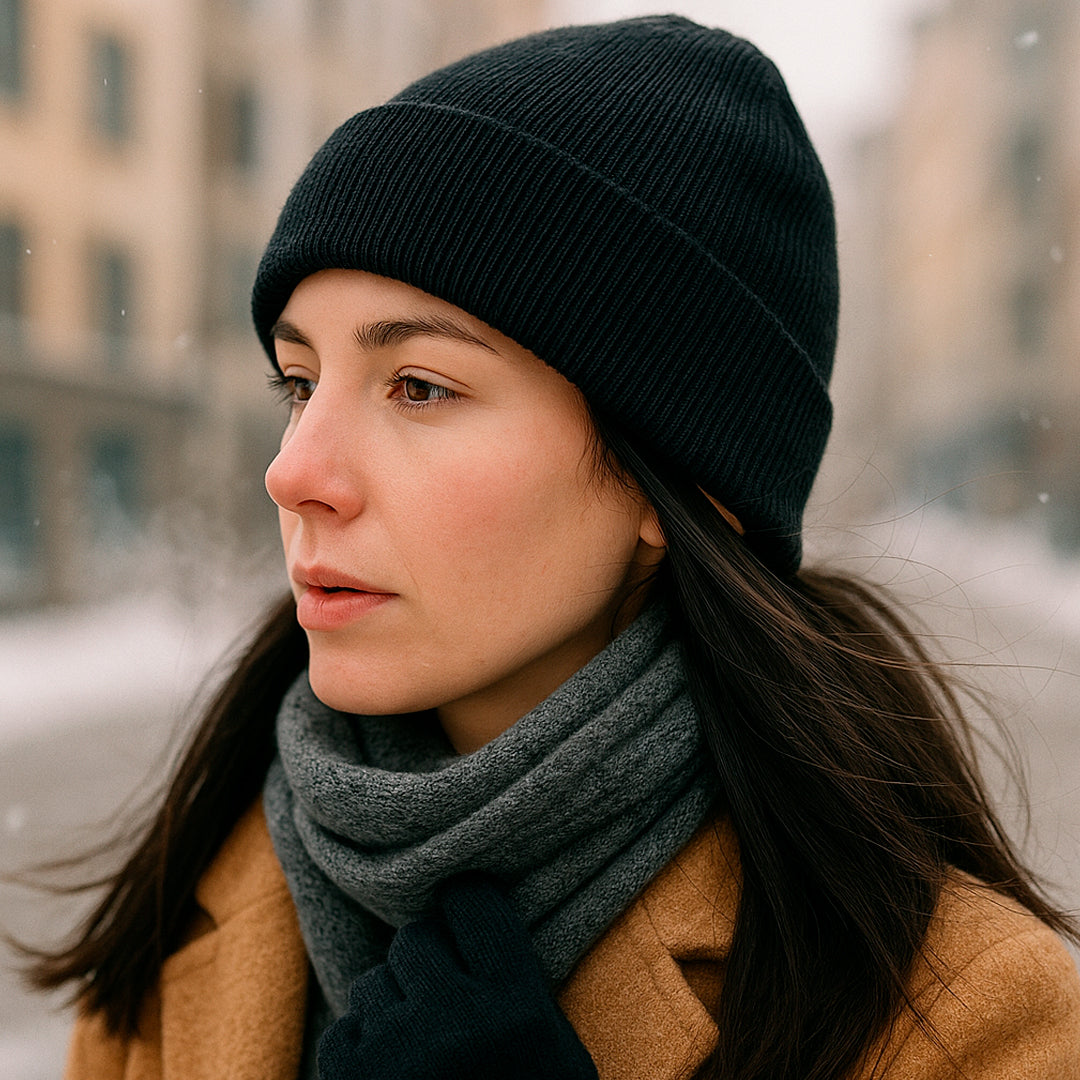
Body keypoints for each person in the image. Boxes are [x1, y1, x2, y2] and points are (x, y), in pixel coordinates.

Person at [31, 15, 1080, 1080]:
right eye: (300, 385)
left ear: (676, 478)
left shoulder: (973, 1020)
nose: (293, 471)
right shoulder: (178, 922)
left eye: (420, 387)